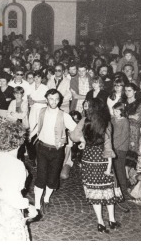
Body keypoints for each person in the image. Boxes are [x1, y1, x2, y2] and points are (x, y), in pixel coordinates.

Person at [29, 89, 84, 223]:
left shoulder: (64, 115)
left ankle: (46, 199)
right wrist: (30, 135)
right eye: (51, 99)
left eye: (56, 99)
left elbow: (75, 129)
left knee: (53, 177)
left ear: (59, 100)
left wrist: (83, 140)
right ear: (46, 99)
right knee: (41, 176)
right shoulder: (41, 111)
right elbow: (38, 126)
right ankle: (37, 204)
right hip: (42, 148)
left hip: (57, 150)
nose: (53, 102)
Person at [74, 98, 123, 233]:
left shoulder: (84, 120)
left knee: (94, 189)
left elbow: (73, 135)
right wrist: (108, 168)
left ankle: (100, 222)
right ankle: (112, 220)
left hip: (88, 158)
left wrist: (83, 140)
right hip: (102, 159)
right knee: (108, 189)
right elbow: (108, 148)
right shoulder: (107, 123)